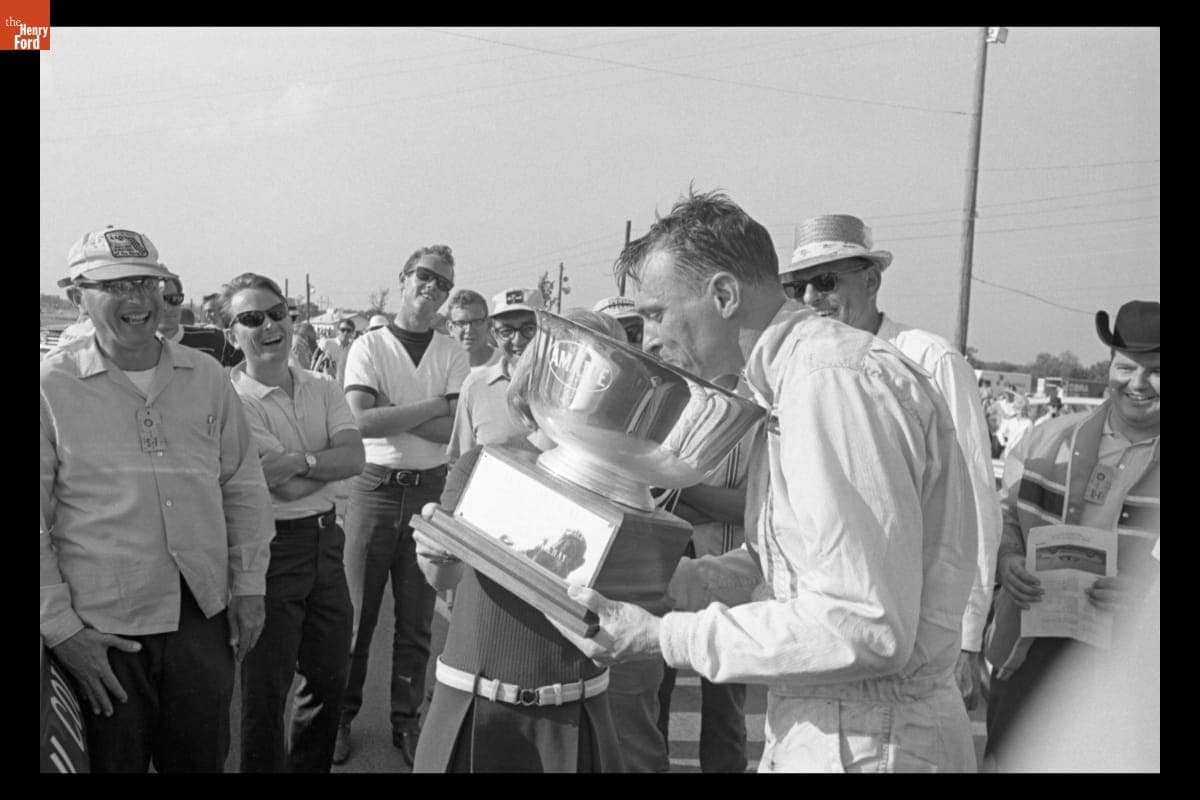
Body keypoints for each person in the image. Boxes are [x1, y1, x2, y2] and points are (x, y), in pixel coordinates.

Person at [546, 190, 979, 773]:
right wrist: (661, 580)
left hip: (870, 737)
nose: (647, 340)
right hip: (838, 725)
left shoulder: (829, 382)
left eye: (654, 314)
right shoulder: (792, 380)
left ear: (723, 295)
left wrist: (663, 637)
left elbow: (864, 623)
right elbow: (795, 570)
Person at [40, 226, 274, 772]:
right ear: (76, 296)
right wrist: (62, 632)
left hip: (200, 619)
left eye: (147, 282)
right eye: (115, 285)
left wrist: (250, 585)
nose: (137, 299)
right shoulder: (52, 388)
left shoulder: (206, 376)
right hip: (101, 633)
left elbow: (242, 486)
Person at [778, 213, 1003, 711]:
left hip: (918, 640)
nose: (813, 298)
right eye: (799, 287)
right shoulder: (800, 372)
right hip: (830, 632)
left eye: (827, 280)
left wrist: (968, 635)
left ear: (873, 280)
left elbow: (975, 507)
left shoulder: (930, 360)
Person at [411, 307, 627, 773]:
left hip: (576, 711)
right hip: (471, 701)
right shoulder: (481, 466)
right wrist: (432, 553)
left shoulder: (630, 495)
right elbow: (443, 575)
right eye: (567, 371)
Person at [983, 300, 1159, 771]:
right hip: (1029, 650)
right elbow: (1002, 517)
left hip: (1135, 670)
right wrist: (1008, 561)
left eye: (1156, 371)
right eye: (1126, 367)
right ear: (1110, 367)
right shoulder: (1046, 441)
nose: (1138, 384)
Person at [334, 244, 469, 766]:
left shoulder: (451, 351)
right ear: (403, 279)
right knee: (357, 617)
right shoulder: (369, 345)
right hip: (375, 487)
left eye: (443, 283)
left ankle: (406, 722)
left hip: (429, 492)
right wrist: (433, 406)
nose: (431, 288)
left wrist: (396, 410)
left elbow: (451, 428)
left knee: (415, 621)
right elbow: (361, 421)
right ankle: (342, 718)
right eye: (424, 277)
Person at [226, 273, 365, 772]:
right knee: (266, 691)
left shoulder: (323, 386)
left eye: (277, 313)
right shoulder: (232, 400)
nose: (268, 326)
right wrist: (322, 463)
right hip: (271, 550)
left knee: (329, 678)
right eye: (251, 318)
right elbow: (277, 486)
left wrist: (302, 462)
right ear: (231, 333)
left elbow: (355, 458)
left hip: (327, 542)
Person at [654, 415, 757, 773]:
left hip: (729, 585)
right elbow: (656, 501)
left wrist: (683, 486)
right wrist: (710, 501)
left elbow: (752, 509)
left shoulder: (755, 419)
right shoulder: (674, 409)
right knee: (655, 702)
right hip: (669, 575)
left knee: (725, 712)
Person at [447, 288, 542, 464]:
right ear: (494, 334)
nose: (517, 340)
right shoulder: (476, 386)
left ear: (545, 330)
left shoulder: (567, 388)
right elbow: (462, 465)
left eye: (529, 329)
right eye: (506, 331)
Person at [156, 275, 244, 367]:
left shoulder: (214, 339)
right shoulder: (140, 349)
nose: (167, 308)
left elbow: (246, 369)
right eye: (160, 300)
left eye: (174, 299)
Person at [446, 289, 500, 370]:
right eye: (461, 323)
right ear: (450, 328)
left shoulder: (506, 365)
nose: (469, 330)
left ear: (488, 324)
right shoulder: (441, 369)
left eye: (476, 322)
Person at [996, 392, 1034, 459]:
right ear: (1015, 409)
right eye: (1018, 409)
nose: (1020, 411)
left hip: (1021, 453)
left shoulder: (1028, 422)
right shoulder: (1010, 420)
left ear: (1025, 410)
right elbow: (999, 433)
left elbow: (1031, 438)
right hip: (1009, 451)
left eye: (1022, 409)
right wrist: (1004, 444)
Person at [320, 319, 357, 388]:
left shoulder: (354, 347)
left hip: (346, 386)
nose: (345, 333)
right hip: (328, 386)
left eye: (348, 330)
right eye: (343, 330)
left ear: (352, 333)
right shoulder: (327, 344)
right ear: (338, 331)